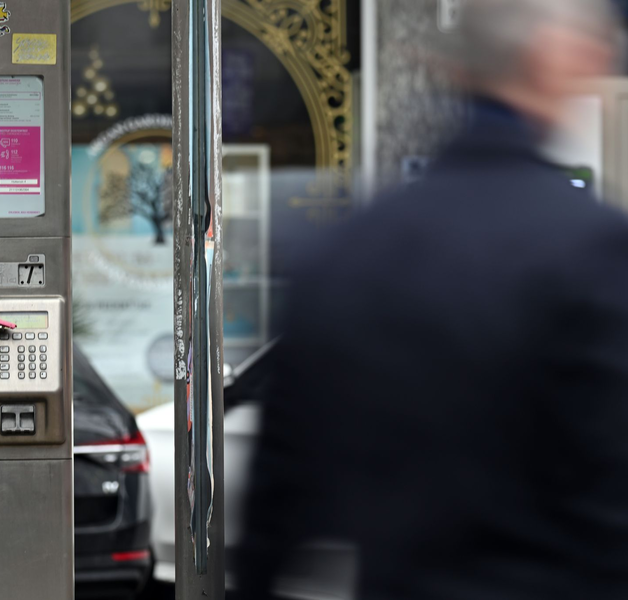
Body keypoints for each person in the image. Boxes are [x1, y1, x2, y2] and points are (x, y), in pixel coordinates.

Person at [237, 1, 628, 598]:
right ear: (548, 58)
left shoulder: (344, 251)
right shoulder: (592, 248)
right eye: (595, 44)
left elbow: (277, 506)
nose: (604, 56)